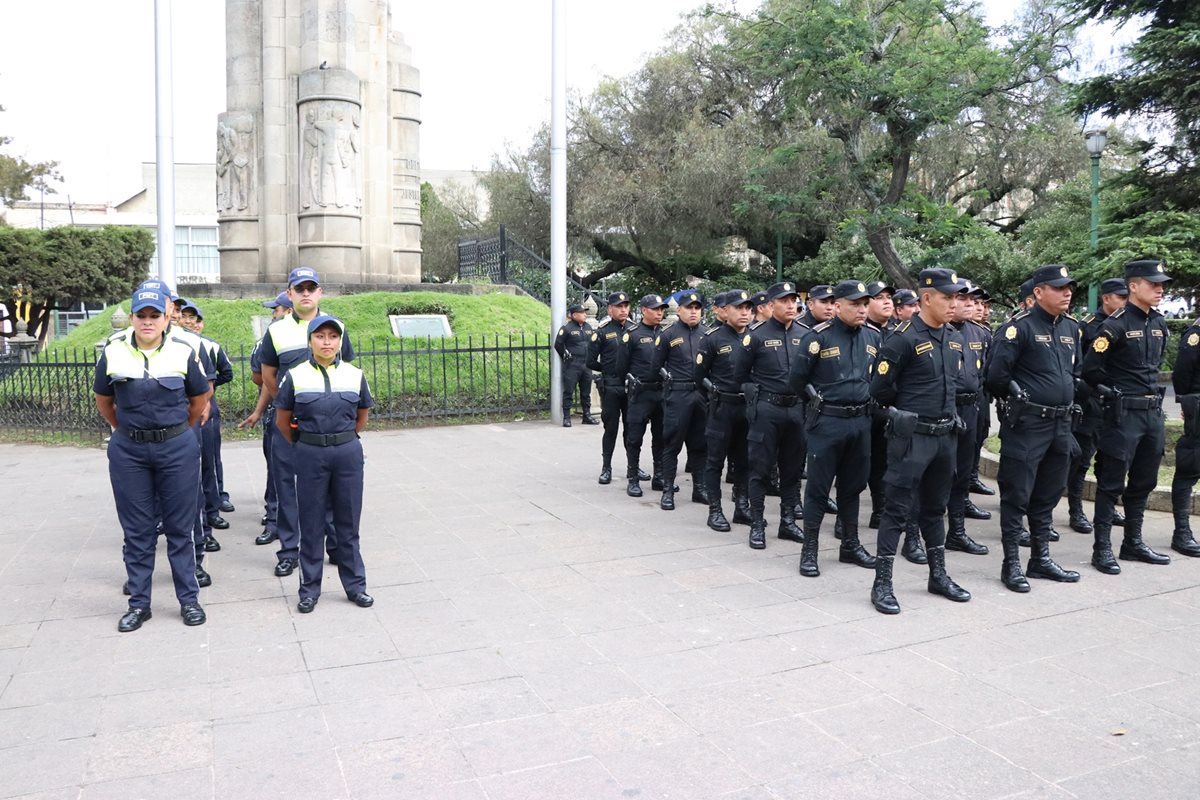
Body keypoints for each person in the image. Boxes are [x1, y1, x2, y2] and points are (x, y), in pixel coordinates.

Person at [94, 288, 211, 632]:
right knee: (138, 531)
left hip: (176, 448)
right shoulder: (114, 352)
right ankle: (139, 604)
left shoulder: (182, 351)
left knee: (180, 528)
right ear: (131, 318)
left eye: (154, 315)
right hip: (129, 451)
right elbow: (104, 400)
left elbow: (199, 399)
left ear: (166, 317)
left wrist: (176, 432)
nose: (147, 322)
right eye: (141, 315)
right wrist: (124, 431)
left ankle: (188, 600)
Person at [868, 268, 971, 614]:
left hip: (945, 437)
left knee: (934, 508)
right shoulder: (903, 338)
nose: (954, 303)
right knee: (896, 509)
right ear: (927, 298)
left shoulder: (953, 337)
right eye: (948, 297)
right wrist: (901, 414)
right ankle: (882, 582)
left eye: (957, 297)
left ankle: (937, 575)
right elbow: (879, 390)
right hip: (913, 438)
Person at [985, 265, 1083, 592]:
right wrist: (1018, 395)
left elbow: (1075, 371)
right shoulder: (1018, 328)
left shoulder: (1071, 328)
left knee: (1049, 493)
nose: (1067, 292)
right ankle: (1011, 562)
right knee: (1017, 494)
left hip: (1061, 423)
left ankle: (1040, 558)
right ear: (1039, 292)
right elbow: (996, 375)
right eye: (1058, 287)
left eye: (1069, 287)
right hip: (1028, 424)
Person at [274, 315, 375, 613]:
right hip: (310, 452)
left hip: (347, 453)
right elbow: (283, 420)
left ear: (340, 341)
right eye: (320, 336)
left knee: (348, 523)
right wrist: (306, 443)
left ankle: (356, 586)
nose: (326, 342)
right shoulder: (295, 375)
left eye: (332, 336)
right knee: (312, 523)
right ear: (310, 341)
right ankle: (309, 590)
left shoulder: (355, 375)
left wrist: (344, 439)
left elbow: (362, 416)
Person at [259, 267, 355, 578]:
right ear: (289, 294)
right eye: (299, 288)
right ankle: (289, 550)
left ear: (319, 293)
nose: (305, 293)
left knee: (327, 487)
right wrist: (288, 406)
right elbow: (268, 374)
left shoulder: (335, 326)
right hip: (289, 424)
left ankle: (334, 546)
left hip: (326, 426)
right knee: (287, 486)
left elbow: (346, 372)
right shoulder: (276, 330)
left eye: (311, 288)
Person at [1081, 259, 1174, 573]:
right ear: (1134, 286)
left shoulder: (1159, 324)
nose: (1160, 289)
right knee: (1110, 482)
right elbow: (1090, 370)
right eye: (1153, 283)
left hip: (1151, 414)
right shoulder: (1115, 325)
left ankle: (1132, 542)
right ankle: (1102, 548)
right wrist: (1109, 392)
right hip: (1123, 416)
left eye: (1162, 284)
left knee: (1144, 481)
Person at [789, 279, 879, 575]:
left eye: (865, 304)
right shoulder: (818, 337)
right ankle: (810, 549)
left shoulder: (873, 336)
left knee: (853, 486)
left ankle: (850, 544)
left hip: (860, 422)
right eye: (855, 304)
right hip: (827, 422)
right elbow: (797, 381)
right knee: (818, 488)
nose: (862, 309)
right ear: (837, 306)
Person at [743, 281, 807, 549]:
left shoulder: (806, 334)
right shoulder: (755, 335)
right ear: (770, 305)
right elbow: (740, 375)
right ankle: (757, 523)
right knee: (760, 469)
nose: (791, 305)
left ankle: (788, 521)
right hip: (767, 409)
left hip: (797, 410)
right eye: (784, 300)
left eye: (794, 300)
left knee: (792, 470)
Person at [1067, 278, 1129, 534]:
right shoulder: (1087, 327)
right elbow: (1079, 367)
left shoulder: (1128, 323)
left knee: (1111, 459)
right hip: (1092, 401)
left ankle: (1108, 508)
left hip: (1116, 404)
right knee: (1082, 460)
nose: (1126, 302)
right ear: (1106, 298)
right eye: (1121, 297)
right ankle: (1075, 510)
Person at [695, 290, 753, 531]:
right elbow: (699, 377)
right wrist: (714, 394)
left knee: (744, 461)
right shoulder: (712, 338)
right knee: (715, 460)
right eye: (738, 308)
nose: (744, 313)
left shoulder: (756, 337)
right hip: (723, 407)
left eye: (747, 308)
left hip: (747, 408)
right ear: (725, 310)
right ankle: (715, 510)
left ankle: (742, 506)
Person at [180, 301, 235, 551]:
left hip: (205, 411)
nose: (187, 320)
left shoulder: (207, 345)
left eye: (192, 317)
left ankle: (212, 509)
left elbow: (223, 373)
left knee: (209, 462)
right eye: (183, 315)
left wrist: (206, 398)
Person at [239, 292, 293, 544]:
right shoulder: (268, 341)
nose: (273, 314)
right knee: (277, 470)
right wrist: (263, 409)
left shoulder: (314, 336)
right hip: (277, 414)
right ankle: (274, 520)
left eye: (278, 309)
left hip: (304, 416)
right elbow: (260, 378)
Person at [944, 284, 991, 555]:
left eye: (968, 299)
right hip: (942, 410)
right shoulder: (938, 332)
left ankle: (957, 532)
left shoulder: (979, 333)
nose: (967, 304)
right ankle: (915, 533)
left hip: (970, 409)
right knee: (933, 474)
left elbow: (985, 369)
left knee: (963, 473)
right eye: (959, 298)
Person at [655, 291, 708, 510]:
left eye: (697, 308)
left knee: (700, 445)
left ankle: (700, 488)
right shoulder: (668, 334)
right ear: (679, 310)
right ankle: (668, 490)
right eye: (689, 307)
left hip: (701, 395)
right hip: (678, 395)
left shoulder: (708, 334)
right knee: (672, 444)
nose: (693, 311)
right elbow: (655, 366)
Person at [589, 291, 642, 485]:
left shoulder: (634, 329)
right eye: (619, 306)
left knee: (632, 428)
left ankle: (633, 467)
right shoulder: (602, 331)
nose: (623, 310)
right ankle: (606, 467)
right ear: (610, 309)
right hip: (611, 386)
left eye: (626, 306)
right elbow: (590, 361)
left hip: (631, 387)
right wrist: (610, 369)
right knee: (610, 429)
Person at [618, 295, 669, 496]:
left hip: (661, 392)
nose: (659, 313)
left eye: (661, 309)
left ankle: (659, 477)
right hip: (640, 393)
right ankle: (633, 478)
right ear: (644, 310)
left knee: (661, 437)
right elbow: (621, 367)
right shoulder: (632, 334)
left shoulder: (666, 334)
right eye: (655, 309)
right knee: (635, 438)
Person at [1169, 314, 1200, 557]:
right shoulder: (1195, 335)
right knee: (1190, 466)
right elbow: (1181, 373)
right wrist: (1186, 402)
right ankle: (1182, 531)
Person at [553, 304, 597, 427]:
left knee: (585, 392)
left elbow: (593, 343)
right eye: (582, 312)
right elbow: (558, 344)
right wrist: (566, 356)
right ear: (574, 315)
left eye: (585, 312)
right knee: (569, 391)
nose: (585, 315)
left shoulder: (588, 327)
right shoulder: (567, 328)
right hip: (573, 364)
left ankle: (587, 416)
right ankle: (566, 417)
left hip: (586, 364)